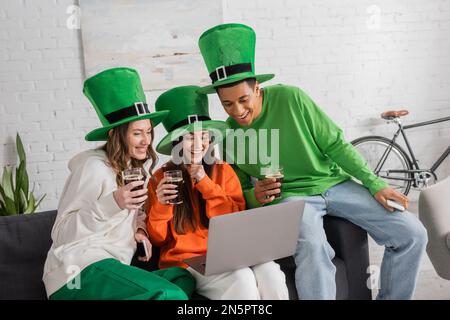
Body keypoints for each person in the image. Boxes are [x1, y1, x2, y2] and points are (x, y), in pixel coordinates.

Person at [196, 23, 428, 300]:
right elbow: (239, 191)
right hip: (290, 197)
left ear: (257, 88)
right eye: (227, 104)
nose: (238, 111)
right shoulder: (230, 133)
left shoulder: (291, 98)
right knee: (312, 246)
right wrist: (255, 195)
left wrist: (375, 184)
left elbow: (335, 144)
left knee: (412, 233)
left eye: (243, 100)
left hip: (334, 183)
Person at [42, 67, 195, 300]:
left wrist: (140, 229)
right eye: (137, 134)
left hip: (112, 265)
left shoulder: (132, 169)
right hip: (77, 272)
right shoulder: (93, 168)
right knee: (169, 293)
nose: (146, 141)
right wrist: (112, 202)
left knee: (182, 277)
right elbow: (62, 232)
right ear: (116, 134)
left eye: (148, 132)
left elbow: (130, 215)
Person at [147, 85, 289, 300]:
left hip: (230, 252)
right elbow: (158, 239)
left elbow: (234, 220)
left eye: (203, 136)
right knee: (241, 278)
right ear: (177, 142)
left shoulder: (222, 170)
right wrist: (161, 204)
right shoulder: (161, 178)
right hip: (187, 260)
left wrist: (204, 181)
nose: (198, 144)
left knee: (271, 272)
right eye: (189, 138)